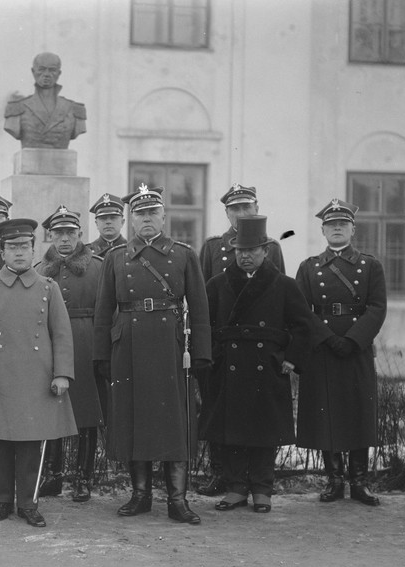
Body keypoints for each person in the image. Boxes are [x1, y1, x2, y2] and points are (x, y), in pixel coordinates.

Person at [93, 185, 210, 525]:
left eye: (151, 213)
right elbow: (104, 311)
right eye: (139, 214)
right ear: (131, 219)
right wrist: (101, 354)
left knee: (175, 420)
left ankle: (178, 499)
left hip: (170, 346)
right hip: (127, 345)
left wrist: (200, 352)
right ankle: (140, 495)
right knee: (134, 418)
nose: (145, 219)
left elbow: (199, 308)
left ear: (163, 217)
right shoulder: (116, 258)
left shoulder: (184, 255)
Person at [202, 215, 319, 514]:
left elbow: (305, 325)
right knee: (231, 431)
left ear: (266, 251)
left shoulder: (283, 285)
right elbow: (205, 325)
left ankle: (262, 488)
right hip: (228, 367)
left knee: (264, 432)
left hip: (266, 368)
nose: (246, 256)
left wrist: (291, 359)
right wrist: (214, 357)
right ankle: (236, 487)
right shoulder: (217, 284)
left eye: (252, 250)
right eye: (241, 250)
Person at [0, 218, 76, 527]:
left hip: (37, 378)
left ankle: (28, 503)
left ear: (33, 249)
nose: (18, 253)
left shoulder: (48, 287)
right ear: (2, 252)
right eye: (11, 248)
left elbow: (62, 334)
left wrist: (62, 374)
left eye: (24, 247)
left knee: (30, 443)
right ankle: (2, 501)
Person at [197, 183, 286, 497]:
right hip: (225, 348)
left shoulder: (271, 247)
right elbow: (202, 301)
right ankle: (221, 474)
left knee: (259, 415)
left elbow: (280, 300)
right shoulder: (211, 248)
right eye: (234, 208)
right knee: (221, 412)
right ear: (226, 212)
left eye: (246, 207)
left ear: (256, 208)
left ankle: (258, 483)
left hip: (260, 349)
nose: (241, 214)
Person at [295, 199, 386, 506]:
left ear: (352, 230)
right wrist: (326, 337)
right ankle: (334, 481)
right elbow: (301, 311)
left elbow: (377, 308)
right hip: (323, 350)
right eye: (331, 225)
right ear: (323, 230)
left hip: (356, 349)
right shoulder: (308, 268)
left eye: (342, 224)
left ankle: (359, 482)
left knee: (359, 412)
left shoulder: (371, 266)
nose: (337, 229)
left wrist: (353, 338)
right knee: (326, 413)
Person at [35, 206, 103, 501]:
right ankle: (52, 475)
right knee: (51, 409)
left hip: (86, 342)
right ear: (49, 235)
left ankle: (83, 478)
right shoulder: (38, 271)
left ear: (80, 235)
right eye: (58, 233)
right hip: (50, 346)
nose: (64, 239)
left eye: (70, 233)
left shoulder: (99, 267)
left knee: (86, 414)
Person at [3, 52, 87, 149]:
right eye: (41, 69)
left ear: (59, 73)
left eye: (52, 70)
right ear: (33, 71)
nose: (46, 74)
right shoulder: (17, 107)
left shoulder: (74, 109)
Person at [87, 193, 127, 257]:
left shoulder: (132, 249)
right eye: (103, 218)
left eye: (113, 218)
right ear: (96, 223)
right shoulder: (86, 252)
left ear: (122, 222)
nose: (108, 222)